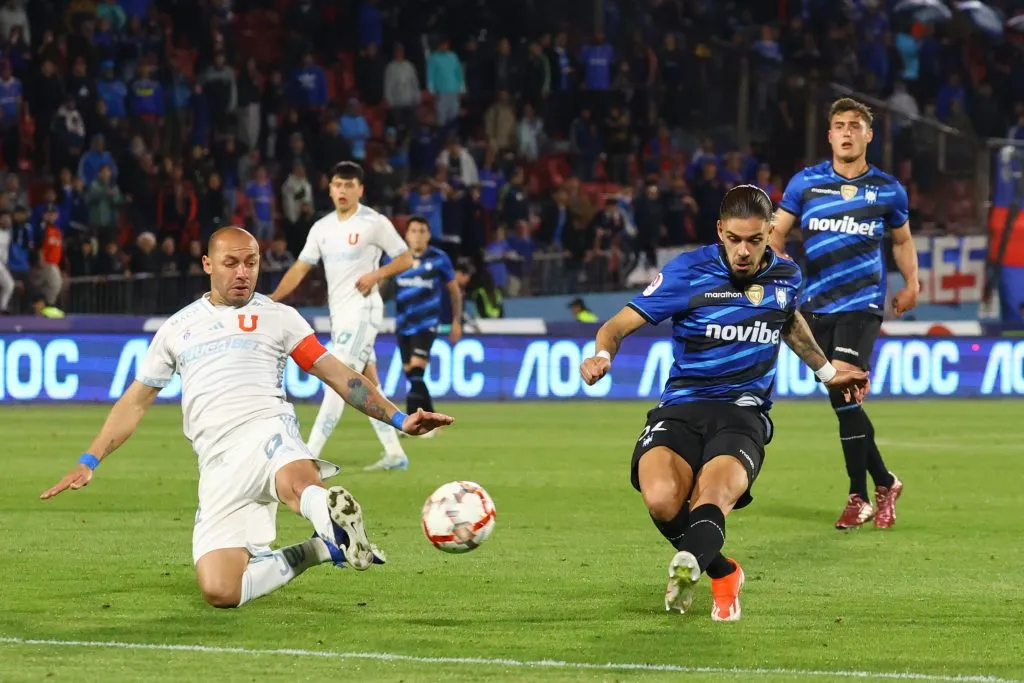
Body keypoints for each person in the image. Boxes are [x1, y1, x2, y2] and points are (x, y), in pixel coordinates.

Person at [41, 227, 453, 608]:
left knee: (297, 483)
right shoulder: (177, 328)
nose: (243, 273)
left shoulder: (279, 317)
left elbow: (339, 375)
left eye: (251, 263)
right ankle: (324, 546)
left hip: (268, 432)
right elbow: (134, 403)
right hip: (218, 464)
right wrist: (90, 459)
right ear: (207, 264)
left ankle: (328, 511)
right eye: (231, 263)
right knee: (222, 591)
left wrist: (399, 419)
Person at [579, 186, 868, 621]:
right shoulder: (686, 273)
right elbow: (615, 327)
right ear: (720, 231)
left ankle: (690, 565)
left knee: (712, 495)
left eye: (755, 240)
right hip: (681, 406)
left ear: (771, 232)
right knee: (660, 500)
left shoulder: (787, 277)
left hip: (743, 413)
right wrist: (601, 357)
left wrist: (826, 372)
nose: (744, 252)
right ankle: (723, 571)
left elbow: (788, 322)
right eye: (734, 239)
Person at [769, 98, 919, 530]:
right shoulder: (805, 184)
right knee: (842, 399)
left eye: (856, 125)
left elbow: (902, 241)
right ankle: (886, 481)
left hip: (862, 305)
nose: (848, 132)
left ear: (869, 135)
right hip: (814, 306)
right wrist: (781, 278)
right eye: (840, 125)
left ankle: (858, 496)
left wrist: (912, 283)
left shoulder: (888, 189)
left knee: (844, 388)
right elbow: (776, 234)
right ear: (830, 135)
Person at [270, 161, 415, 465]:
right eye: (338, 185)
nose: (343, 191)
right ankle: (394, 452)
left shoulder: (374, 222)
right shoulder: (321, 228)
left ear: (360, 189)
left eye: (349, 185)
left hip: (363, 311)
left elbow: (405, 258)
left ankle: (308, 456)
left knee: (339, 382)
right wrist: (272, 298)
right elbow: (300, 268)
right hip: (340, 315)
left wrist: (377, 275)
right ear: (330, 188)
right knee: (367, 385)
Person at [368, 215, 463, 470]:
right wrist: (383, 279)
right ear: (406, 235)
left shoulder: (439, 259)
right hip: (404, 325)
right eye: (413, 230)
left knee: (417, 372)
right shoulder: (397, 260)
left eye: (422, 230)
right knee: (411, 374)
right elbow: (385, 294)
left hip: (427, 325)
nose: (418, 235)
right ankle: (428, 421)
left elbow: (454, 291)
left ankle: (419, 423)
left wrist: (456, 321)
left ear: (428, 235)